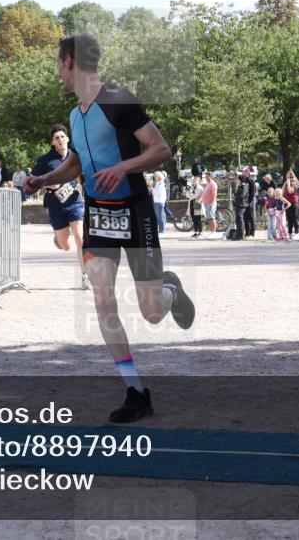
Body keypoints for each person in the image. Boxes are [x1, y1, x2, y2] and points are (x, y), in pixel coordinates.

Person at [23, 33, 195, 423]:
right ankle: (135, 391)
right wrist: (46, 179)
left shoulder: (118, 99)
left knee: (151, 312)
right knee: (103, 300)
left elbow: (161, 149)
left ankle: (170, 290)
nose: (58, 72)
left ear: (70, 61)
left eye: (58, 64)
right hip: (99, 216)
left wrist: (123, 167)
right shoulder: (75, 114)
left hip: (134, 212)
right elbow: (77, 162)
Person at [32, 124, 89, 290]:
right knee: (66, 246)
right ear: (53, 142)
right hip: (55, 204)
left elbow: (84, 174)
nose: (60, 140)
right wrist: (48, 184)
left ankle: (85, 276)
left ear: (68, 139)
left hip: (74, 201)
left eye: (63, 137)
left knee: (80, 237)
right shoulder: (46, 160)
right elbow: (32, 179)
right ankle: (59, 237)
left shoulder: (76, 157)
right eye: (57, 138)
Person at [282, 171, 299, 238]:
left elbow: (290, 191)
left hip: (294, 202)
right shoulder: (287, 182)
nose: (288, 177)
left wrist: (289, 183)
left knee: (294, 218)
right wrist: (285, 184)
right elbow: (282, 192)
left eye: (289, 175)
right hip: (287, 203)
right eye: (287, 175)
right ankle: (289, 233)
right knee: (289, 218)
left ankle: (297, 233)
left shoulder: (295, 182)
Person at [241, 167, 257, 238]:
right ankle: (247, 233)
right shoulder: (243, 180)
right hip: (244, 202)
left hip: (250, 202)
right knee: (245, 218)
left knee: (251, 217)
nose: (243, 173)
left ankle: (252, 233)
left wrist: (250, 201)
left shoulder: (251, 180)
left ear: (247, 172)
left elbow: (252, 192)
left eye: (244, 171)